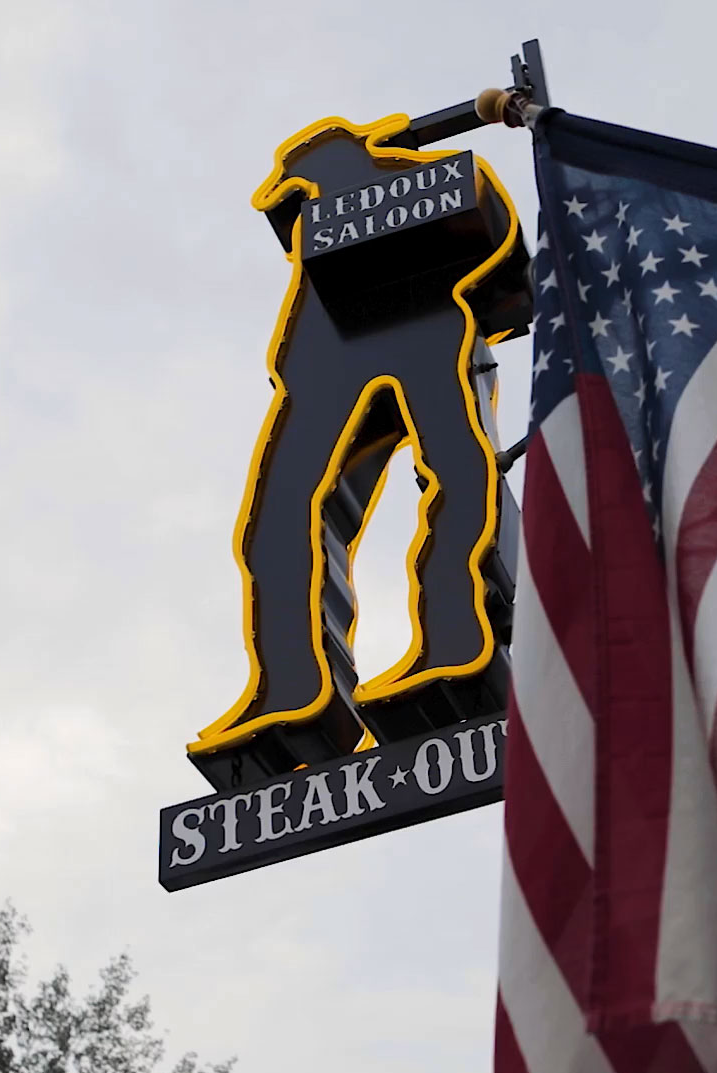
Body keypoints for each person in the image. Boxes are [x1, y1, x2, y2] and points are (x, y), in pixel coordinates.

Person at [187, 115, 526, 789]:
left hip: (421, 339)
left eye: (300, 190)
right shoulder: (335, 232)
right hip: (327, 369)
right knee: (280, 519)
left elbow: (485, 234)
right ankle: (294, 691)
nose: (296, 207)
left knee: (455, 478)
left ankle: (453, 646)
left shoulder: (415, 190)